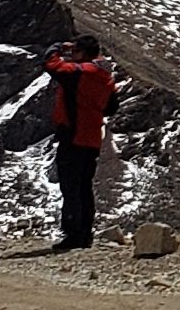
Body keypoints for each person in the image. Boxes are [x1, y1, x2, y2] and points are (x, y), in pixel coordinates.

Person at [23, 32, 117, 250]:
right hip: (93, 138)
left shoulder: (79, 72)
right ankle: (85, 234)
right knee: (84, 187)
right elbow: (111, 107)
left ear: (83, 53)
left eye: (75, 51)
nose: (71, 55)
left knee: (70, 187)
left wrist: (58, 46)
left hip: (72, 135)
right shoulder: (107, 77)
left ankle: (73, 234)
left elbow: (51, 64)